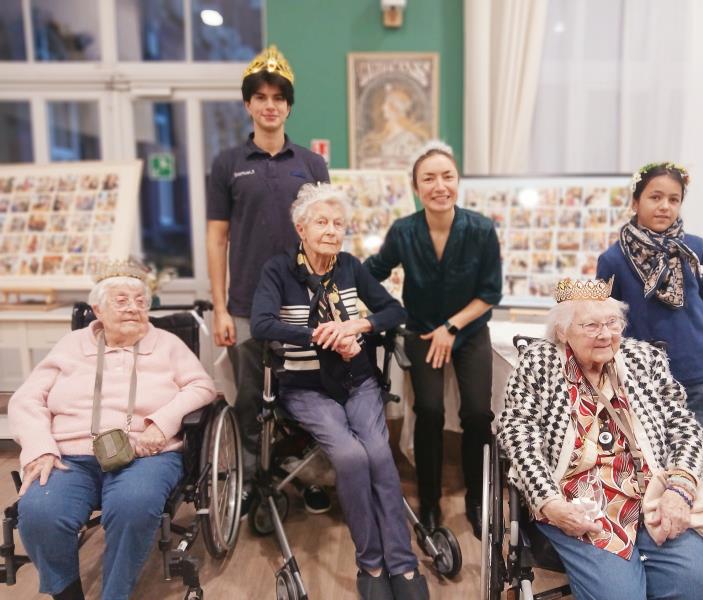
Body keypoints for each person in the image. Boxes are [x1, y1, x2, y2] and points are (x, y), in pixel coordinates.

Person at [251, 183, 429, 600]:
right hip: (306, 388)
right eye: (322, 222)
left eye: (338, 223)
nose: (331, 230)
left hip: (357, 381)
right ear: (301, 228)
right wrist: (323, 335)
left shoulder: (349, 266)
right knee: (350, 456)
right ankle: (371, 563)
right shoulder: (278, 270)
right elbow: (261, 324)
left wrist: (356, 325)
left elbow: (395, 310)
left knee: (379, 454)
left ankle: (402, 563)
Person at [497, 276, 703, 600]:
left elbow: (684, 426)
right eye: (591, 325)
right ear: (563, 331)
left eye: (613, 323)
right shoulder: (538, 363)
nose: (605, 334)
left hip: (652, 494)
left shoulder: (645, 359)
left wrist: (680, 486)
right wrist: (549, 502)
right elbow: (517, 432)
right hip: (579, 503)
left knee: (696, 585)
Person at [8, 261, 217, 600]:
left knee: (134, 505)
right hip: (70, 455)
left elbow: (202, 386)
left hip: (144, 455)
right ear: (97, 310)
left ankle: (115, 594)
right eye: (121, 301)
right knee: (38, 513)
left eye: (140, 301)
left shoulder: (167, 344)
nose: (133, 308)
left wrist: (161, 423)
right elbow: (26, 398)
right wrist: (41, 447)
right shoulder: (72, 345)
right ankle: (67, 594)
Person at [206, 45, 330, 513]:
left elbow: (326, 232)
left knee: (309, 393)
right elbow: (217, 237)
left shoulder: (312, 165)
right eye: (260, 97)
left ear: (289, 106)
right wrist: (220, 307)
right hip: (245, 304)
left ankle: (305, 476)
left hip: (304, 302)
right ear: (248, 104)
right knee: (249, 401)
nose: (270, 105)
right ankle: (250, 483)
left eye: (278, 97)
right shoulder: (227, 164)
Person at [365, 140, 502, 538]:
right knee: (428, 411)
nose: (439, 186)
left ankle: (478, 500)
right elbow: (371, 271)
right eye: (429, 178)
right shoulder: (404, 231)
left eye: (447, 176)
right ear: (416, 187)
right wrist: (381, 309)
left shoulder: (481, 229)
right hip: (423, 330)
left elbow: (490, 293)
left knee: (477, 414)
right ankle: (428, 502)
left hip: (469, 331)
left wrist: (452, 327)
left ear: (458, 181)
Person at [596, 162, 703, 459]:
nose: (664, 206)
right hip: (648, 383)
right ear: (635, 202)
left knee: (701, 471)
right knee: (652, 471)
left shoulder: (694, 247)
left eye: (673, 199)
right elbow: (607, 324)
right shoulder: (612, 260)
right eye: (655, 197)